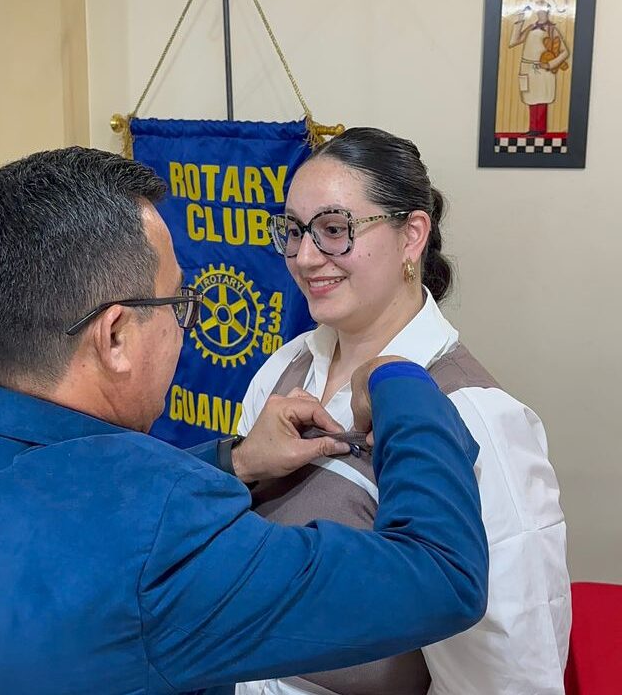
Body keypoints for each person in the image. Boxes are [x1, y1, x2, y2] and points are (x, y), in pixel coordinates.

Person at [0, 147, 488, 695]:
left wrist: (235, 460)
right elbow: (440, 577)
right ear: (115, 336)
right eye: (178, 304)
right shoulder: (160, 531)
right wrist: (399, 379)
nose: (308, 257)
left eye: (335, 230)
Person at [239, 128, 570, 695]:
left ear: (412, 235)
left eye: (335, 230)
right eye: (293, 231)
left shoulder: (475, 417)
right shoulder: (283, 370)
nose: (305, 257)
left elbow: (509, 677)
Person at [509, 0, 570, 137]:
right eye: (538, 8)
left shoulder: (552, 29)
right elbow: (513, 41)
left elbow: (565, 52)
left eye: (543, 8)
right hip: (527, 68)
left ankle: (540, 128)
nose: (540, 11)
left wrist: (550, 64)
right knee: (530, 97)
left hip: (542, 69)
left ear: (548, 11)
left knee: (542, 97)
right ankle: (532, 127)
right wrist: (520, 19)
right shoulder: (531, 27)